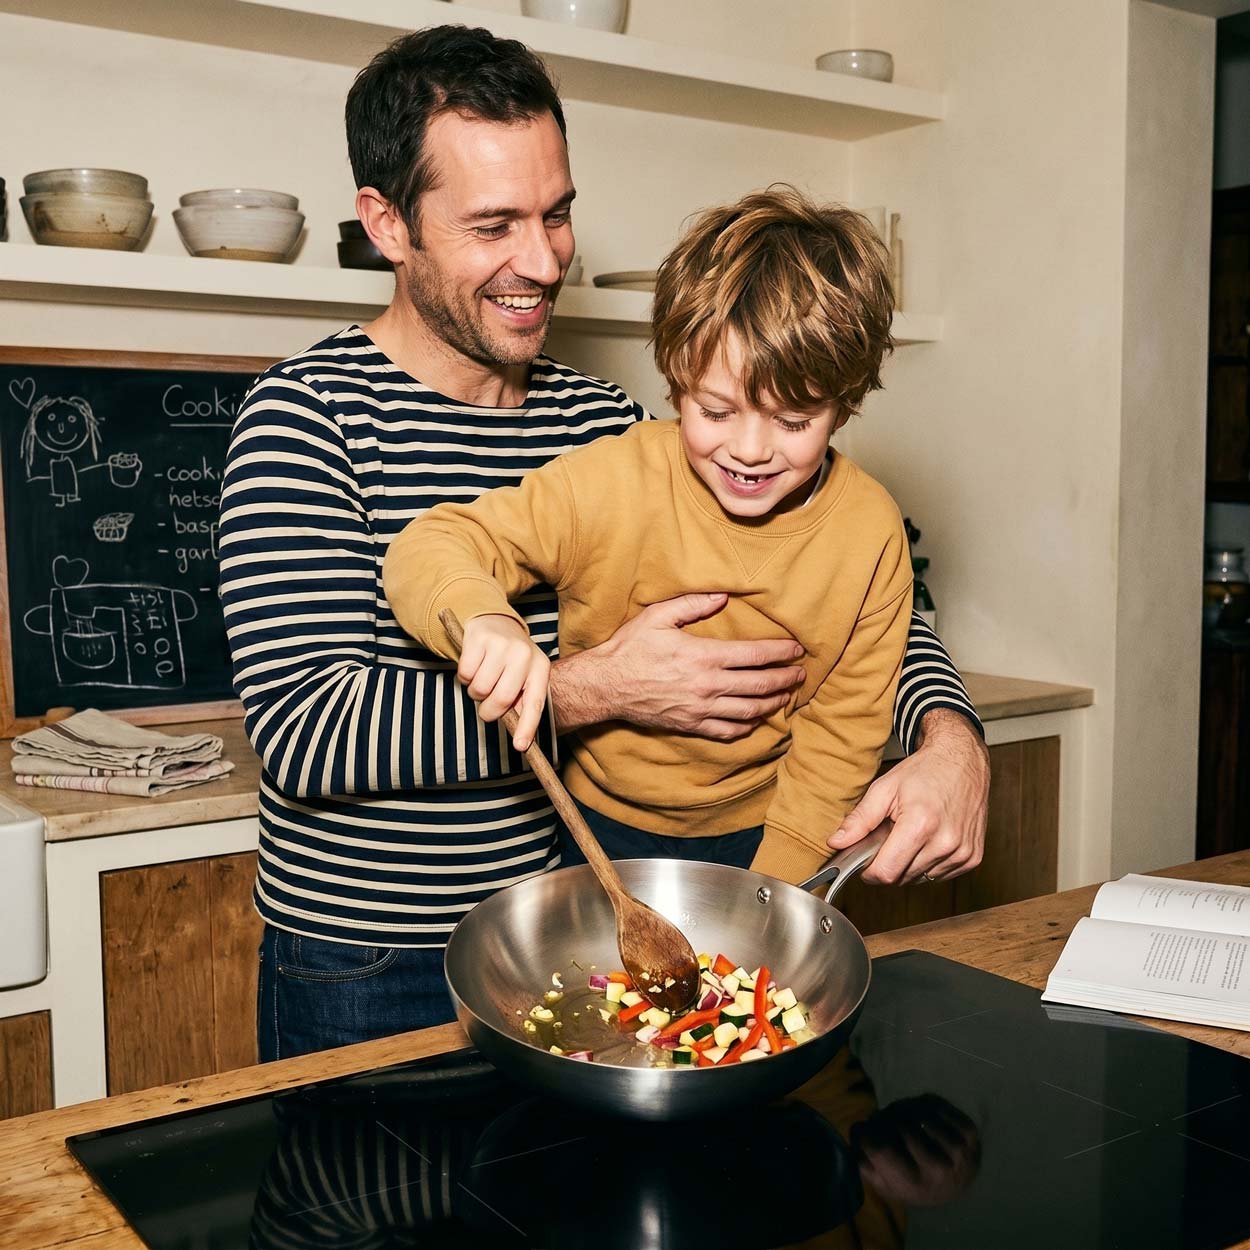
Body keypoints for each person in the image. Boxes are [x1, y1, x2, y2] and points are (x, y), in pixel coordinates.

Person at [218, 24, 988, 1060]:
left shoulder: (605, 419)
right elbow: (307, 733)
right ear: (387, 224)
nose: (541, 261)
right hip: (370, 963)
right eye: (494, 223)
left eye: (557, 212)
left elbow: (840, 599)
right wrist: (593, 687)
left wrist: (949, 739)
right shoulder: (303, 417)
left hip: (576, 934)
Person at [384, 187, 912, 881]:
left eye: (792, 422)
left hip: (771, 831)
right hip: (590, 828)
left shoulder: (870, 532)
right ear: (675, 381)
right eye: (716, 411)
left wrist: (772, 892)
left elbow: (843, 737)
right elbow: (431, 544)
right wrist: (485, 620)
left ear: (845, 405)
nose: (750, 450)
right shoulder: (612, 476)